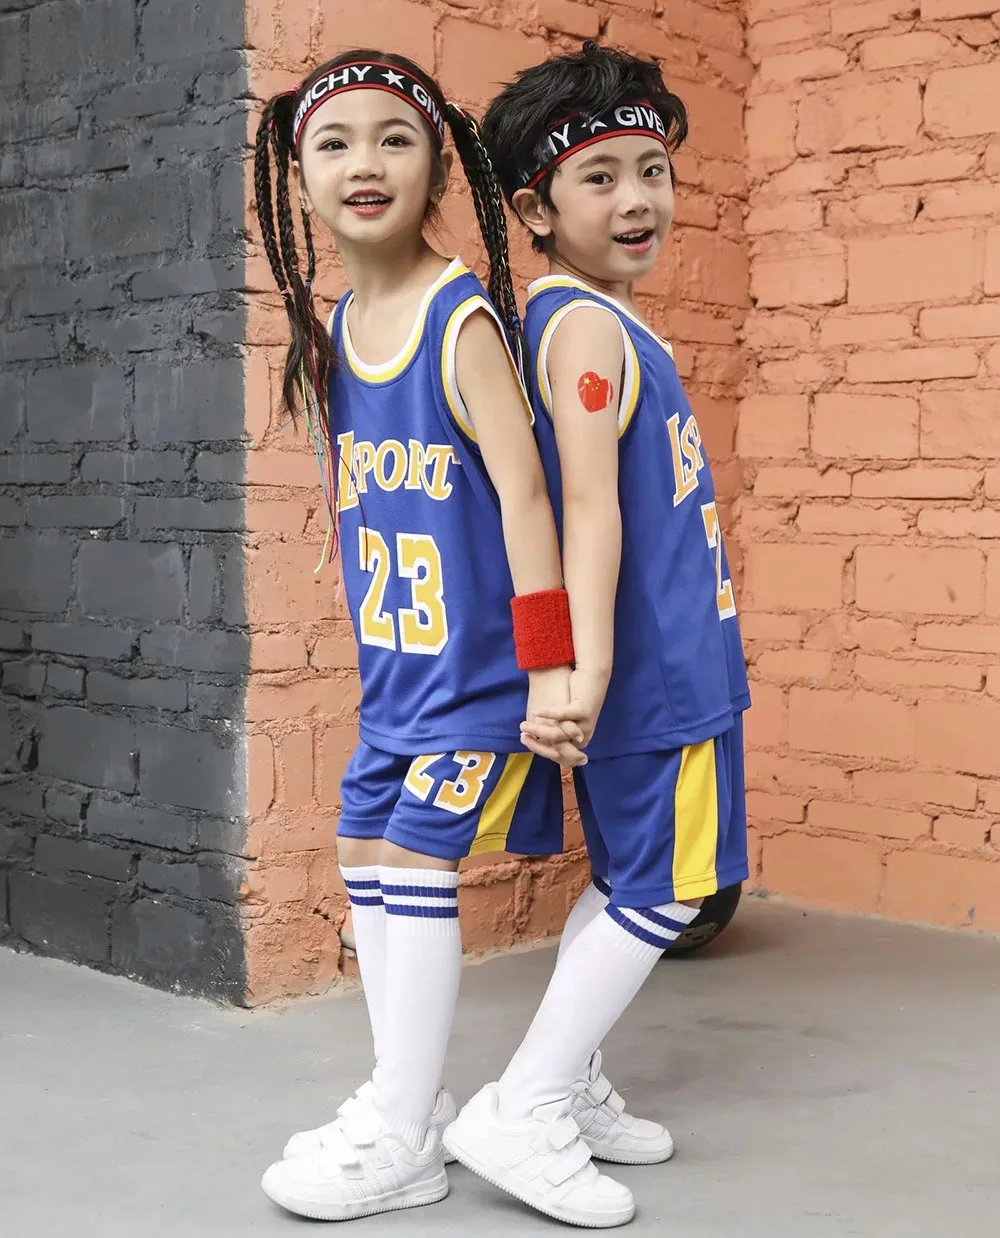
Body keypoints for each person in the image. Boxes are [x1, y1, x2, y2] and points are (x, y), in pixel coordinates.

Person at [251, 49, 587, 1222]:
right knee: (361, 855)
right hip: (397, 681)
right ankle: (409, 1100)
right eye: (334, 142)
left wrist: (549, 665)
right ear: (297, 176)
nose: (365, 162)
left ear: (439, 165)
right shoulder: (342, 324)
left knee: (412, 863)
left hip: (478, 679)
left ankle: (399, 1125)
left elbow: (528, 499)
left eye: (394, 138)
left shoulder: (458, 318)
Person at [442, 43, 752, 1228]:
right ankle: (523, 1106)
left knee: (631, 878)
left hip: (674, 661)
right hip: (655, 674)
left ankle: (564, 1081)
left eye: (651, 170)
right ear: (535, 209)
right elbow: (585, 505)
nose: (636, 199)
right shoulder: (580, 329)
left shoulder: (606, 323)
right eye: (600, 177)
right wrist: (589, 664)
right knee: (666, 889)